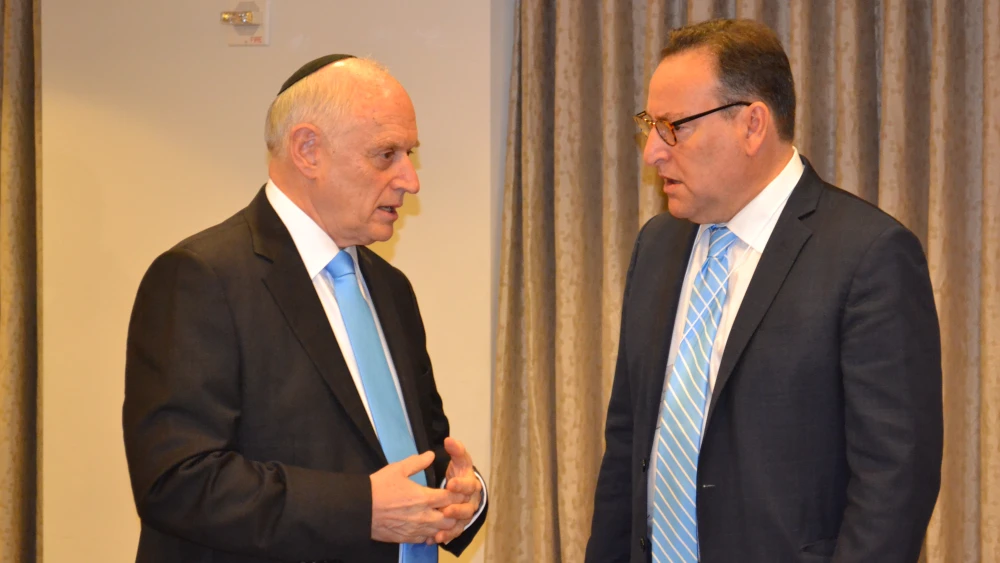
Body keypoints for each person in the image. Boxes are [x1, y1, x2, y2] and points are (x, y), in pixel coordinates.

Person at [585, 19, 941, 563]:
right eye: (649, 125)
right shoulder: (657, 245)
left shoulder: (869, 256)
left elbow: (895, 483)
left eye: (673, 127)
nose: (653, 151)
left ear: (753, 124)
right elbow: (627, 447)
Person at [123, 55, 486, 563]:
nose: (410, 179)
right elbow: (178, 482)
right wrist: (361, 509)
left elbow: (422, 448)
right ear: (308, 150)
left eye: (410, 154)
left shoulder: (391, 289)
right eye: (386, 155)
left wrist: (458, 498)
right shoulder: (200, 278)